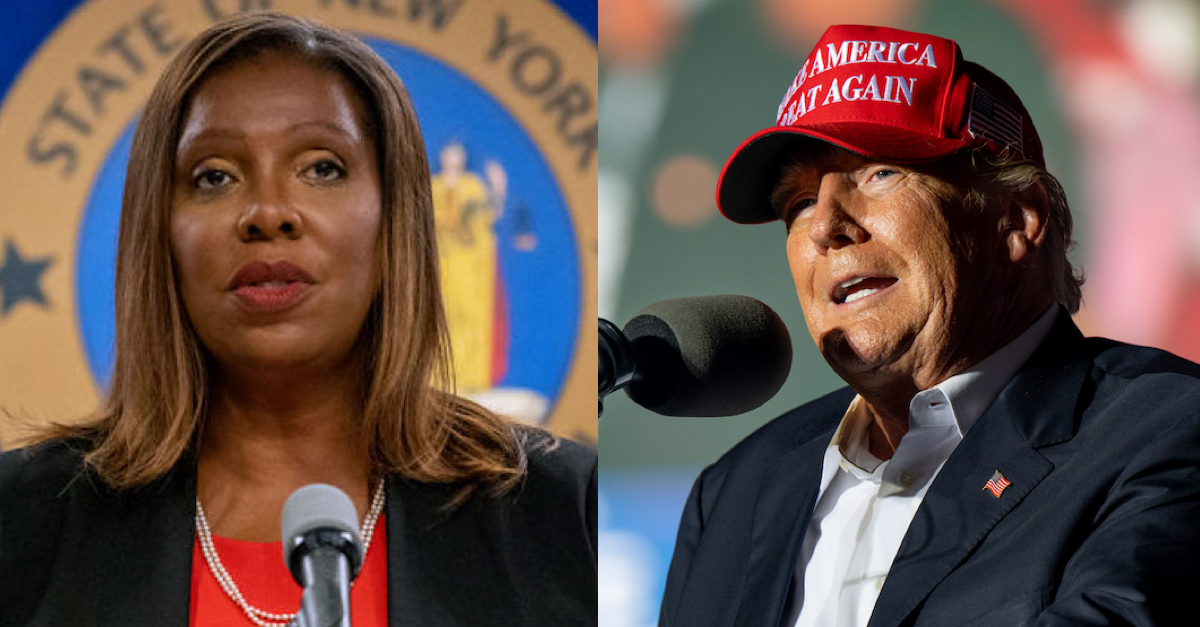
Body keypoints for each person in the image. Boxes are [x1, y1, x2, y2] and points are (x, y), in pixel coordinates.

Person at [0, 13, 596, 627]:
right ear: (161, 234)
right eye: (215, 177)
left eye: (322, 167)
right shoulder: (23, 522)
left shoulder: (561, 511)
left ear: (395, 221)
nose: (267, 212)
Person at [659, 24, 1200, 627]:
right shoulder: (736, 490)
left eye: (879, 174)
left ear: (1018, 218)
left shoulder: (1168, 430)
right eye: (799, 202)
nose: (824, 227)